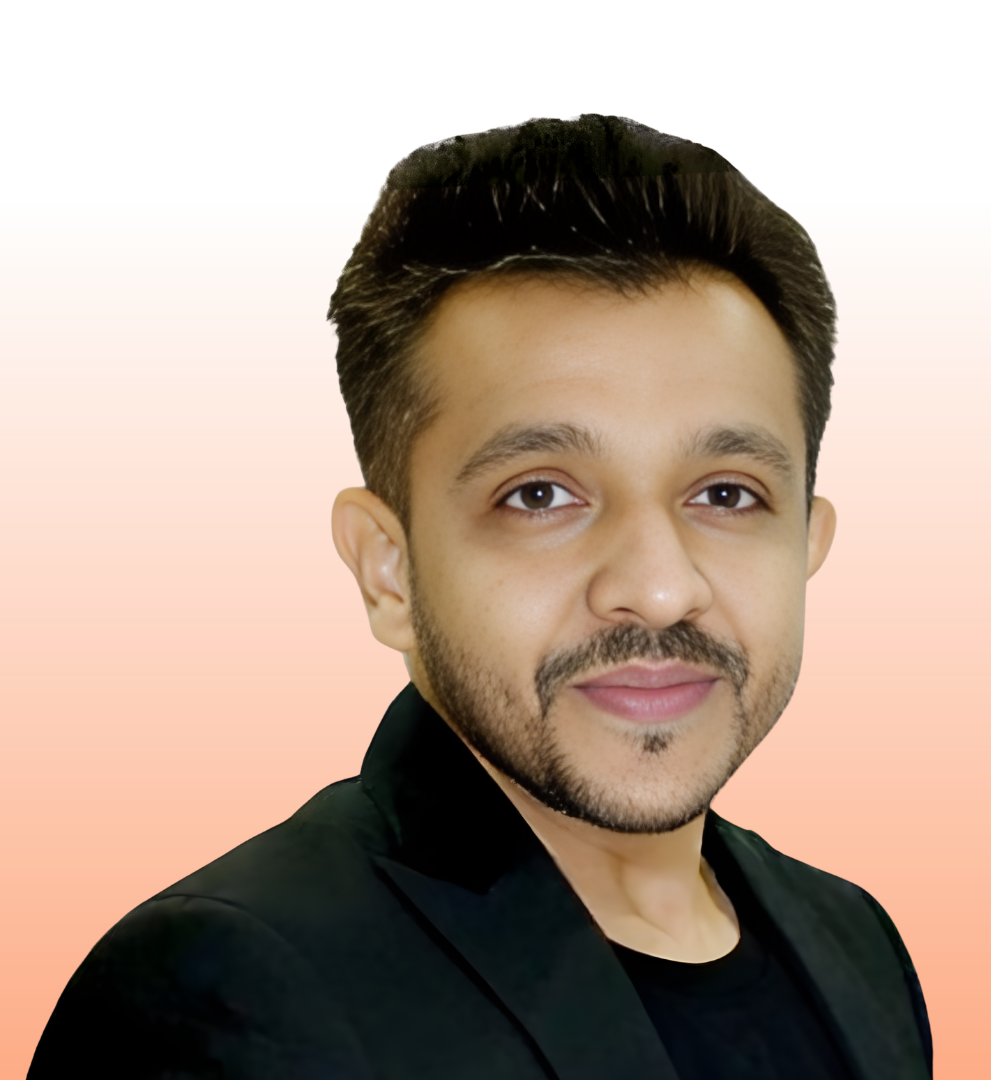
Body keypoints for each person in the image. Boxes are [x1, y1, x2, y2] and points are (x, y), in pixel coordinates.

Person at [29, 115, 932, 1079]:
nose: (661, 588)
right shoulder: (222, 991)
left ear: (806, 544)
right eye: (539, 495)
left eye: (726, 495)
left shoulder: (857, 941)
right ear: (389, 569)